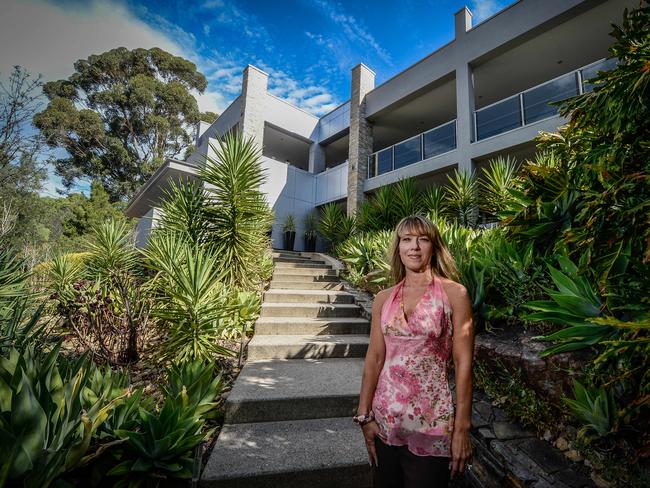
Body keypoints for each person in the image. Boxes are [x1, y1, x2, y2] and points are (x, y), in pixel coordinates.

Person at [354, 215, 474, 488]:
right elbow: (374, 359)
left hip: (431, 423)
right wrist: (364, 416)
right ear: (398, 248)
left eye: (423, 239)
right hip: (385, 422)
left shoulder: (455, 294)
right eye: (406, 239)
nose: (414, 247)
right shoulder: (383, 299)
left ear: (434, 246)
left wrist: (462, 429)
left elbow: (464, 363)